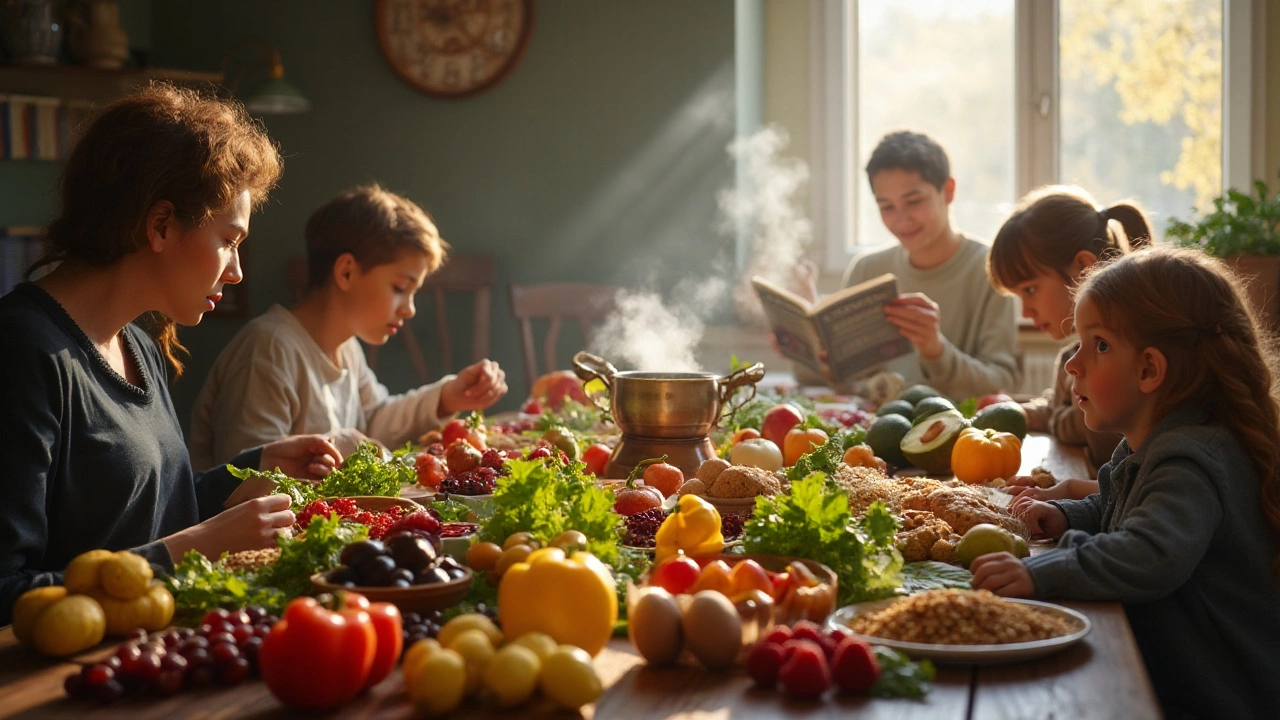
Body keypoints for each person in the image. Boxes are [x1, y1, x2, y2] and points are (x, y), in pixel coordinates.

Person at [0, 85, 343, 625]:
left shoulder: (138, 341)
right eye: (229, 240)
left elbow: (150, 510)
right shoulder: (23, 353)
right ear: (159, 225)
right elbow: (8, 594)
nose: (236, 271)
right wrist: (200, 545)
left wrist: (251, 467)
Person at [970, 248, 1280, 718]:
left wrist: (1041, 571)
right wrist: (1066, 514)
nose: (1072, 364)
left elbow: (1150, 554)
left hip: (1213, 698)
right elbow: (1124, 506)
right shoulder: (1152, 444)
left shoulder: (1189, 461)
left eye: (1098, 345)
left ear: (1150, 370)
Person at [188, 184, 508, 470]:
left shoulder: (346, 347)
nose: (409, 309)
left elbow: (376, 419)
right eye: (399, 288)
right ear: (346, 273)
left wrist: (448, 396)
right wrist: (347, 447)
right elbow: (244, 473)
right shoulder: (268, 349)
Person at [797, 130, 1020, 399]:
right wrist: (804, 350)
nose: (901, 220)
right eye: (886, 207)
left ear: (948, 191)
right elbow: (842, 380)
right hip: (874, 428)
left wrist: (935, 350)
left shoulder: (990, 271)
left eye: (913, 202)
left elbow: (1002, 385)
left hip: (959, 434)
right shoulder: (867, 270)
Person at [986, 186, 1152, 500]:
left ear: (1084, 269)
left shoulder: (1129, 360)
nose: (1025, 310)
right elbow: (1058, 408)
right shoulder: (1074, 357)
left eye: (1030, 290)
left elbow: (1089, 427)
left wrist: (1059, 417)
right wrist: (1019, 411)